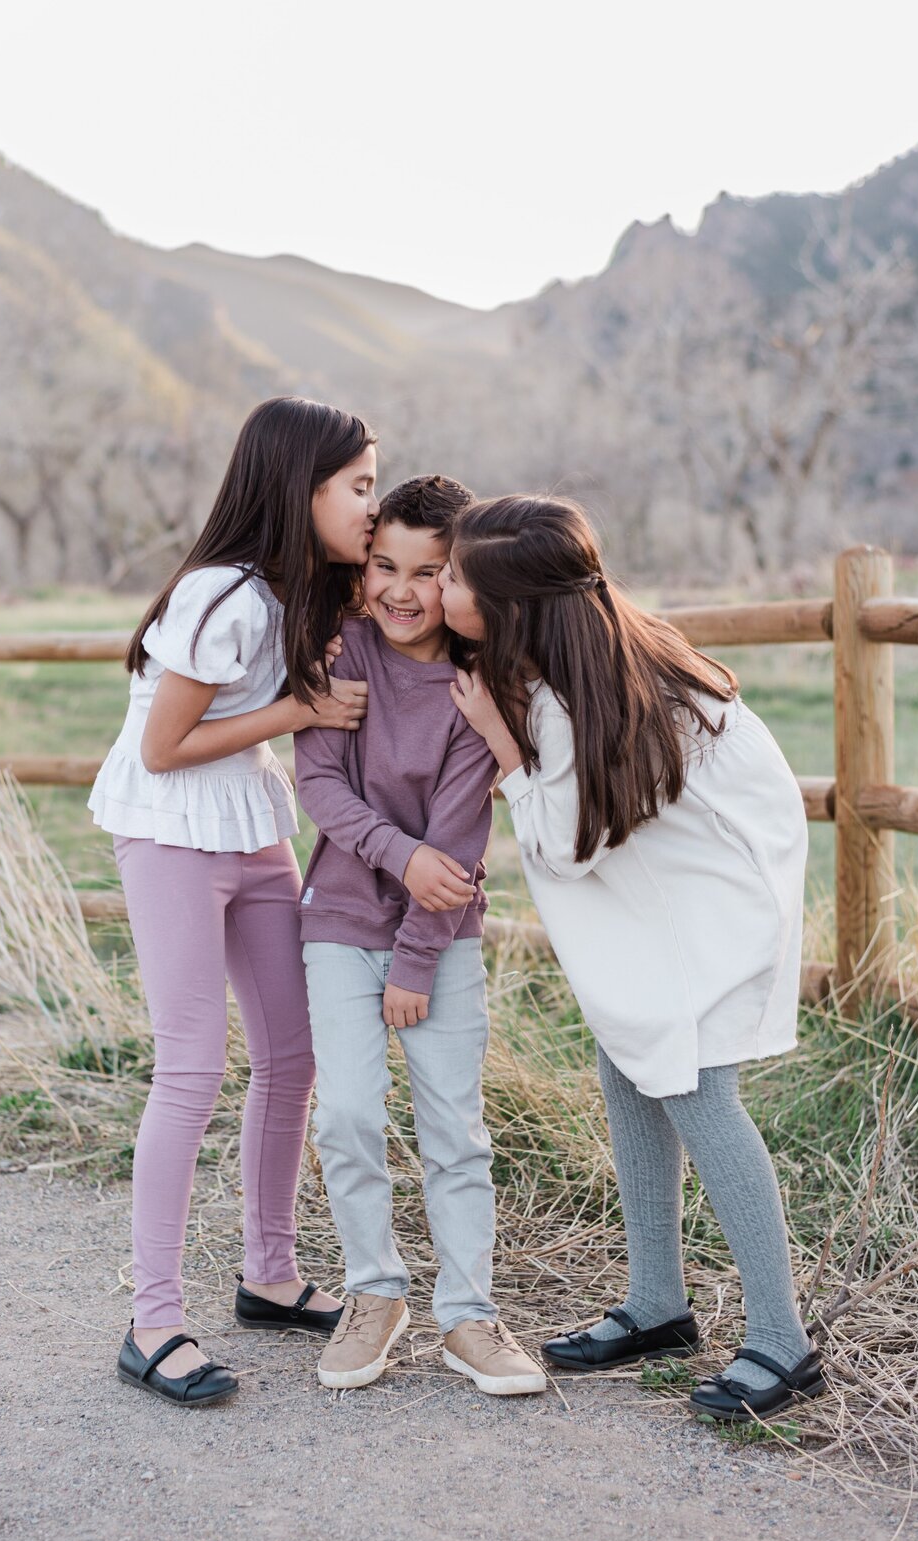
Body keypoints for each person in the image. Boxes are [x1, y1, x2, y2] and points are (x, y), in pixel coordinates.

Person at [442, 494, 824, 1422]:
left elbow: (569, 847)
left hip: (718, 899)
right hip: (677, 885)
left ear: (511, 607)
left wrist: (499, 744)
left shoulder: (588, 693)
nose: (441, 586)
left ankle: (784, 1340)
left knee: (696, 1089)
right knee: (629, 1060)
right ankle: (658, 1305)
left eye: (453, 576)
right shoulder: (577, 654)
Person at [88, 396, 377, 1408]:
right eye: (358, 487)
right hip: (170, 831)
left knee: (293, 1053)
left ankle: (269, 1273)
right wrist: (301, 707)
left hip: (253, 826)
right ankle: (154, 1321)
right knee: (192, 1069)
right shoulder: (220, 595)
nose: (371, 508)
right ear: (298, 487)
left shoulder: (300, 591)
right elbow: (162, 749)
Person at [294, 475, 546, 1396]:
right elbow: (318, 785)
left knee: (454, 1130)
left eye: (428, 572)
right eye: (383, 565)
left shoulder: (477, 689)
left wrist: (414, 955)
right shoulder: (338, 650)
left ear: (461, 578)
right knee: (350, 1115)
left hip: (441, 942)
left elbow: (458, 846)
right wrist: (394, 857)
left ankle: (469, 1317)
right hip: (336, 921)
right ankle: (375, 1293)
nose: (401, 589)